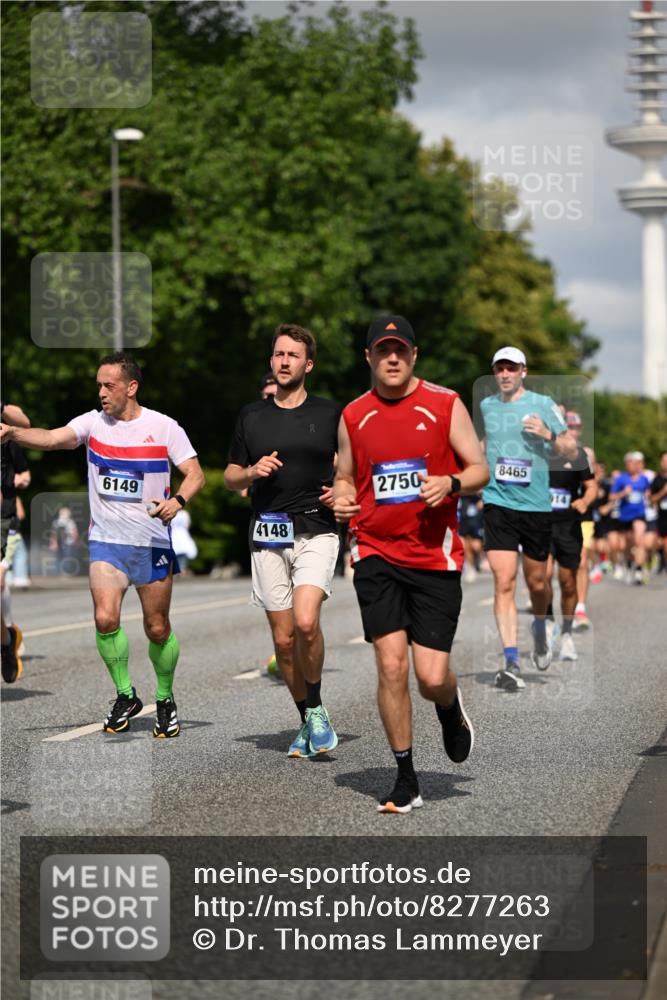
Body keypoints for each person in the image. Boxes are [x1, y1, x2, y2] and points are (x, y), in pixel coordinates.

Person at [0, 353, 205, 735]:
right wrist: (12, 433)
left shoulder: (163, 427)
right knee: (105, 619)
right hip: (106, 542)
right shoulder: (93, 423)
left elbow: (194, 474)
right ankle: (125, 694)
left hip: (151, 544)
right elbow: (50, 438)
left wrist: (177, 501)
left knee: (157, 627)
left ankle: (164, 697)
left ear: (131, 387)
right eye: (98, 384)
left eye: (108, 385)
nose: (101, 392)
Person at [333, 315, 489, 814]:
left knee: (431, 676)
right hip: (375, 552)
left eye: (400, 350)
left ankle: (448, 705)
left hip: (433, 557)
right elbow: (344, 475)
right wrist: (339, 499)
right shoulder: (354, 415)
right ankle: (406, 778)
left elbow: (479, 468)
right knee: (391, 665)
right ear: (370, 358)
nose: (392, 358)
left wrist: (452, 484)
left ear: (414, 355)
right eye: (383, 351)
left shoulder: (444, 404)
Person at [224, 323, 341, 758]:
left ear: (308, 364)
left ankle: (315, 713)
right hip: (268, 529)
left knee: (306, 621)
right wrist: (252, 472)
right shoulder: (252, 416)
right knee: (284, 640)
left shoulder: (330, 414)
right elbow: (230, 475)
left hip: (316, 525)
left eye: (292, 355)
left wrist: (343, 485)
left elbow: (350, 462)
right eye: (278, 354)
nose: (284, 361)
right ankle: (310, 713)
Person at [480, 347, 576, 691]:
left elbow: (571, 450)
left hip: (535, 506)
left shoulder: (542, 404)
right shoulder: (487, 406)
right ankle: (510, 659)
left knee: (538, 584)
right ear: (494, 373)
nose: (505, 373)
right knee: (503, 581)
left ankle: (540, 626)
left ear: (523, 371)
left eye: (512, 368)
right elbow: (485, 443)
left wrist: (548, 435)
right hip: (497, 502)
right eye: (499, 368)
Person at [546, 435, 597, 661]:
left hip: (568, 526)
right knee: (542, 576)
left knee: (567, 582)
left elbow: (591, 486)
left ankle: (566, 633)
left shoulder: (577, 453)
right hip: (540, 525)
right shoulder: (534, 449)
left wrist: (585, 500)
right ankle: (547, 623)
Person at [1, 402, 31, 683]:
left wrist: (17, 482)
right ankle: (6, 637)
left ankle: (7, 637)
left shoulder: (7, 436)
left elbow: (25, 424)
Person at [610, 451, 651, 585]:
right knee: (627, 544)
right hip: (625, 516)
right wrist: (623, 493)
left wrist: (649, 496)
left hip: (639, 514)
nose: (631, 465)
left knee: (639, 540)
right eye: (629, 463)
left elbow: (648, 493)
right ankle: (628, 565)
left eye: (634, 462)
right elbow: (611, 497)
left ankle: (638, 571)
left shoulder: (643, 478)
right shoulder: (621, 479)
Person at [49, 505, 80, 575]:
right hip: (68, 542)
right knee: (67, 557)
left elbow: (53, 534)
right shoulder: (71, 522)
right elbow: (75, 533)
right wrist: (76, 541)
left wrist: (53, 543)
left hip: (61, 542)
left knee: (59, 557)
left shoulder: (56, 522)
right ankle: (65, 572)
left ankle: (60, 572)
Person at [650, 450, 667, 572]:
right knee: (660, 544)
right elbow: (652, 500)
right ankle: (660, 558)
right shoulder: (657, 479)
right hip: (662, 517)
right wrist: (664, 491)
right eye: (664, 460)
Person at [171, 507, 198, 574]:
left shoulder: (172, 512)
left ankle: (176, 569)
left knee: (175, 552)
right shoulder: (185, 514)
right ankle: (182, 569)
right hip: (183, 534)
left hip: (174, 534)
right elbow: (187, 525)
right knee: (183, 553)